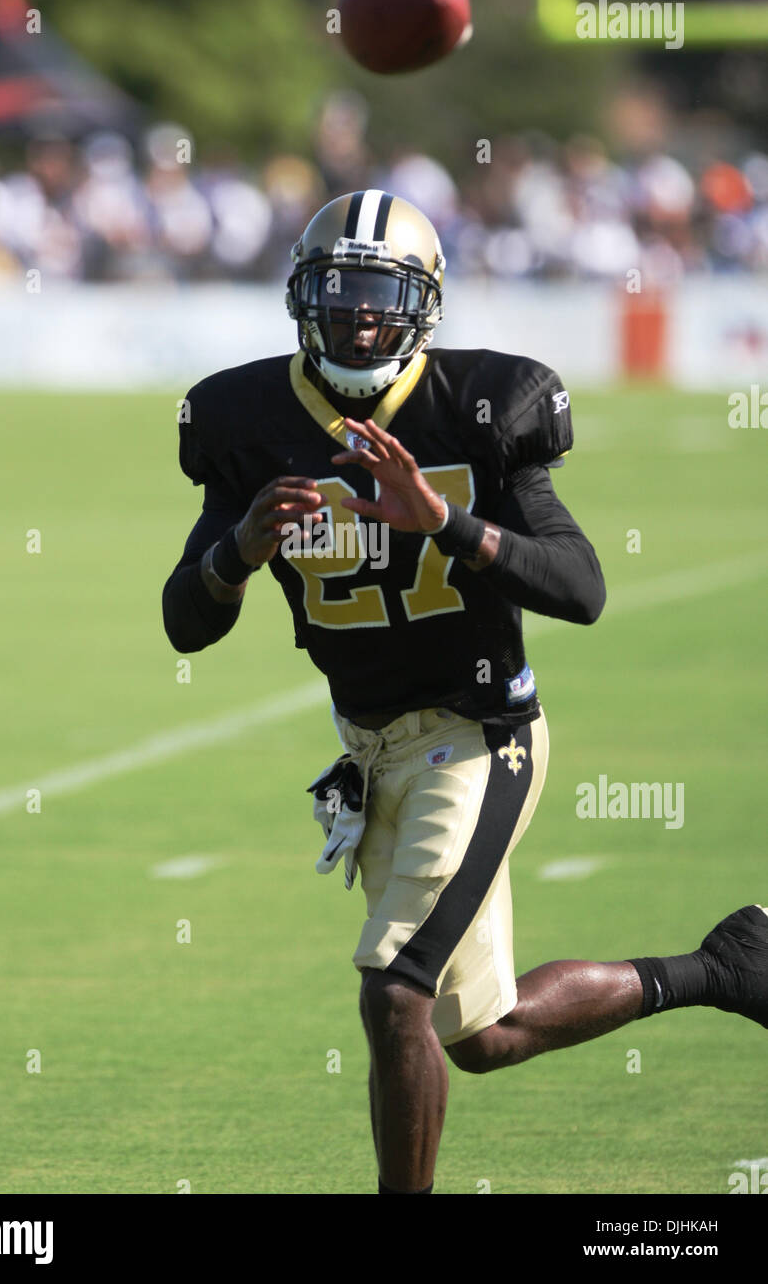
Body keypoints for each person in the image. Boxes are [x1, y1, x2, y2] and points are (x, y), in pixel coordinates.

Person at [162, 190, 768, 1194]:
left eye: (380, 293)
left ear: (422, 307)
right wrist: (238, 547)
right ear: (300, 298)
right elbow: (188, 619)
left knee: (394, 991)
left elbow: (581, 589)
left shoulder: (482, 405)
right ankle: (722, 967)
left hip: (481, 738)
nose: (359, 313)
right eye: (340, 289)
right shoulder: (244, 422)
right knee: (479, 1036)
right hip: (369, 750)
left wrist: (441, 518)